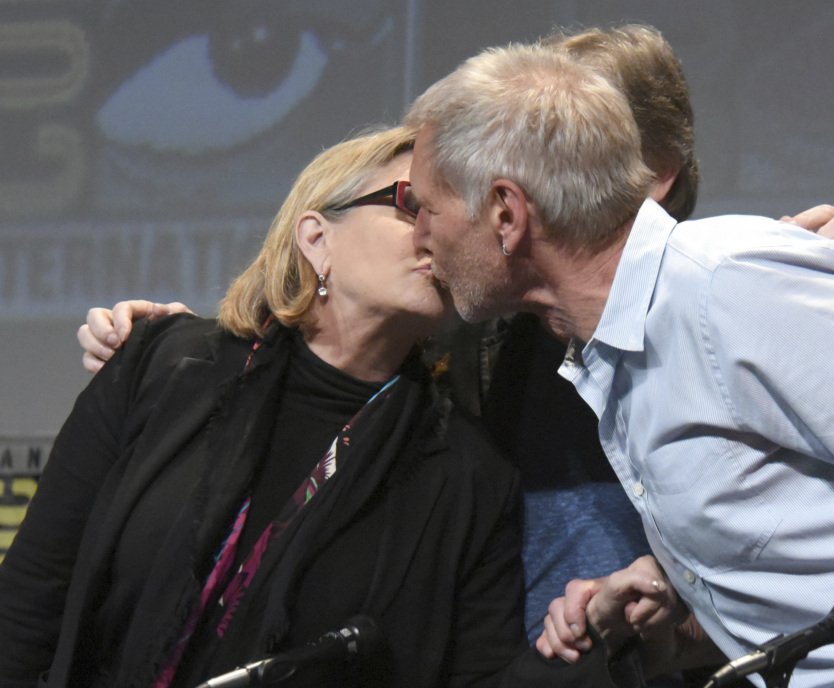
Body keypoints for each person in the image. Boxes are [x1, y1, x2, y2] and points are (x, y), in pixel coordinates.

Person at [402, 42, 834, 688]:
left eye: (427, 209)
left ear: (507, 213)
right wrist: (672, 618)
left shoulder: (729, 285)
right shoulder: (616, 352)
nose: (417, 237)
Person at [0, 126, 531, 688]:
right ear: (316, 237)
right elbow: (33, 594)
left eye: (448, 216)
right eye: (409, 205)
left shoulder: (471, 475)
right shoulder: (164, 366)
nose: (433, 235)